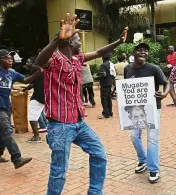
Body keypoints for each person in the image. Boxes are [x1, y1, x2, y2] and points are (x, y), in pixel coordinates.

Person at [34, 13, 128, 195]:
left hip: (79, 123)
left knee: (99, 154)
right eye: (78, 40)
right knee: (59, 171)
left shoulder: (78, 59)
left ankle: (95, 192)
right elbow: (40, 61)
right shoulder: (54, 60)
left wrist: (118, 42)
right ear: (69, 42)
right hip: (60, 126)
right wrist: (56, 40)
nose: (80, 43)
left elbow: (100, 52)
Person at [124, 42, 169, 184]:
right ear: (133, 53)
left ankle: (153, 168)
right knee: (134, 136)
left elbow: (167, 83)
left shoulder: (154, 69)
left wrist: (164, 94)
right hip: (134, 109)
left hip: (152, 108)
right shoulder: (127, 69)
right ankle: (142, 160)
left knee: (152, 138)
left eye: (146, 51)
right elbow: (127, 87)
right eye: (140, 50)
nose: (143, 52)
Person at [0, 49, 42, 168]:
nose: (11, 60)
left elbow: (25, 80)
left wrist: (38, 73)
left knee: (2, 132)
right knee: (7, 131)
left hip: (6, 106)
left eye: (11, 59)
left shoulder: (12, 73)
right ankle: (17, 158)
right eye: (7, 58)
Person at [98, 53, 114, 119]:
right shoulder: (111, 64)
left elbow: (103, 74)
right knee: (109, 99)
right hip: (110, 83)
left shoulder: (103, 65)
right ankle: (110, 113)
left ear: (103, 58)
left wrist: (97, 77)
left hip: (104, 84)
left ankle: (105, 114)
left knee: (104, 99)